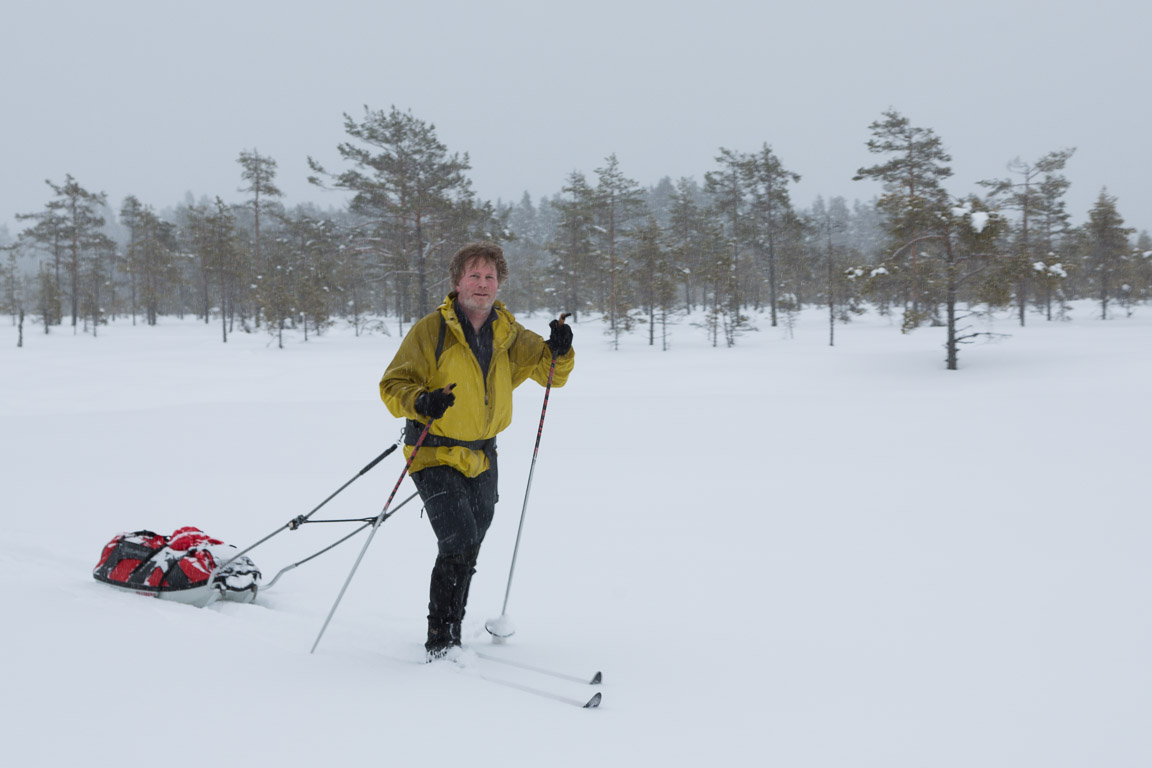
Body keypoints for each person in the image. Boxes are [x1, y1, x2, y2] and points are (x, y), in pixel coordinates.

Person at [379, 241, 575, 660]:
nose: (482, 284)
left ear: (499, 283)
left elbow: (550, 373)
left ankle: (454, 630)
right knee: (458, 539)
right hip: (432, 452)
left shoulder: (508, 333)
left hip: (484, 455)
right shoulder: (431, 331)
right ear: (457, 282)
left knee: (472, 544)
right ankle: (441, 641)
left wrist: (560, 347)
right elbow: (393, 385)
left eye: (490, 277)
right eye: (474, 275)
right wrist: (422, 401)